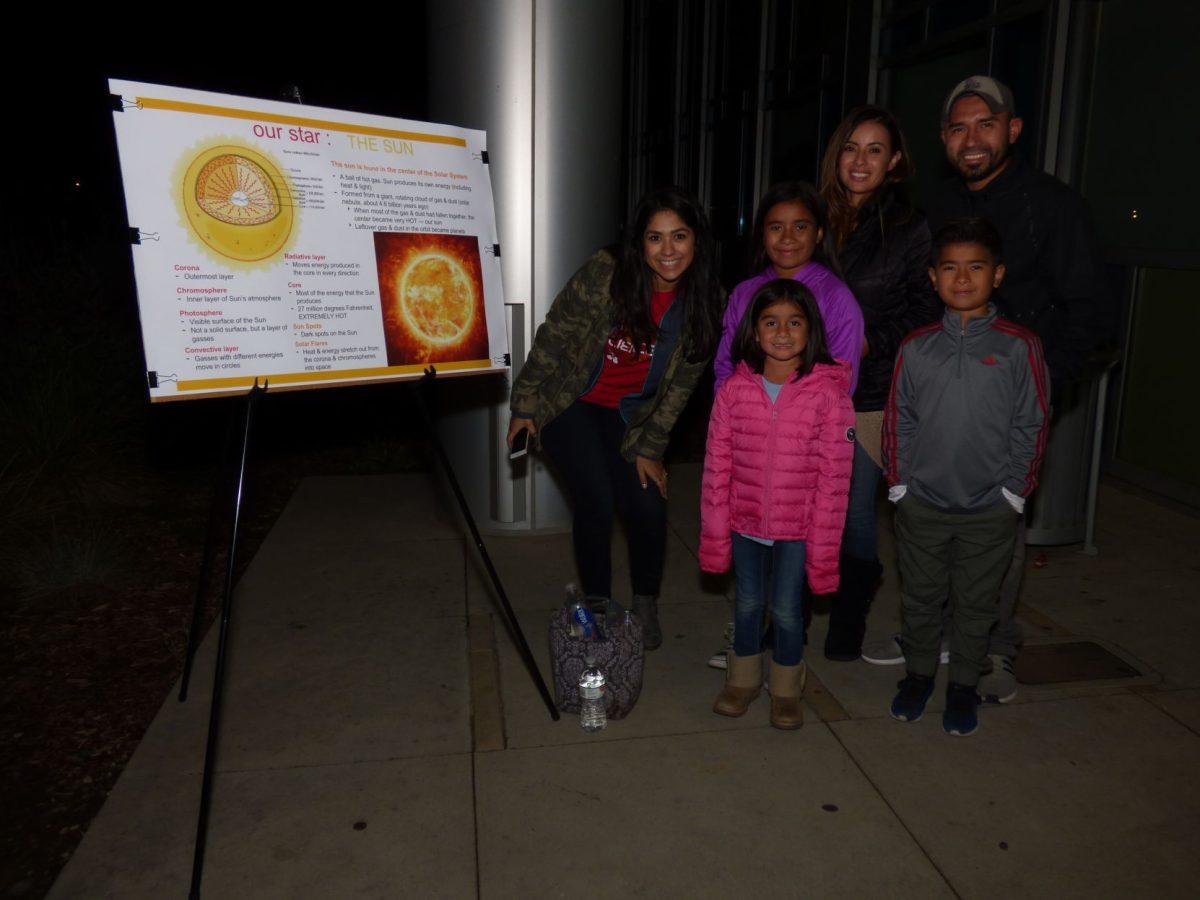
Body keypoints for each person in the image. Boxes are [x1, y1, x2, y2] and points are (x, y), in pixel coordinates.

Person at [923, 75, 1110, 702]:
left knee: (998, 524)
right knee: (933, 517)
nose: (971, 139)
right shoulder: (939, 205)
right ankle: (940, 635)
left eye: (985, 124)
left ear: (1013, 129)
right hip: (942, 397)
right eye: (957, 127)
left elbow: (1090, 314)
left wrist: (1036, 386)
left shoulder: (1053, 206)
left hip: (1012, 402)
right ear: (944, 139)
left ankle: (991, 648)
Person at [507, 187, 722, 650]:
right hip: (572, 402)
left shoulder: (705, 302)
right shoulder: (606, 273)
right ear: (638, 243)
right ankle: (598, 605)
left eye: (679, 236)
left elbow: (681, 389)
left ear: (696, 241)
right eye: (655, 238)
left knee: (647, 501)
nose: (668, 251)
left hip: (634, 416)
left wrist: (651, 450)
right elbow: (555, 335)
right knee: (597, 499)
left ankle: (645, 602)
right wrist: (524, 403)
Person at [884, 218, 1049, 736]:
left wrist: (1013, 494)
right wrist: (901, 485)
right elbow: (899, 419)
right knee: (920, 597)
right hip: (922, 504)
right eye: (949, 268)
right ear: (932, 278)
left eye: (974, 267)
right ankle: (918, 675)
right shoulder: (916, 347)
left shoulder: (1020, 346)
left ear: (996, 275)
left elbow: (1032, 421)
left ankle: (963, 686)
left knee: (978, 605)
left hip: (989, 509)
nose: (961, 278)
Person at [816, 105, 942, 662]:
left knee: (853, 509)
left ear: (894, 161)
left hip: (868, 392)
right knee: (799, 504)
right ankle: (788, 608)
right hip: (803, 387)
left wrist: (871, 340)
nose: (861, 160)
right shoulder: (810, 217)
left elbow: (924, 306)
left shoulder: (910, 228)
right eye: (851, 147)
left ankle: (849, 614)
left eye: (874, 149)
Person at [700, 279, 855, 729]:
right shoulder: (734, 391)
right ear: (753, 331)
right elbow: (715, 469)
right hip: (744, 520)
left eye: (794, 322)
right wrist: (714, 531)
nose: (782, 333)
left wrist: (824, 547)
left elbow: (835, 479)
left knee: (786, 608)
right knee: (748, 602)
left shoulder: (829, 394)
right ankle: (743, 679)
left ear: (811, 332)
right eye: (771, 322)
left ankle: (786, 687)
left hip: (798, 527)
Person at [713, 181, 864, 394]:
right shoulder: (743, 293)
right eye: (776, 227)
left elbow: (841, 381)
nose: (787, 237)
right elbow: (726, 366)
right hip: (744, 421)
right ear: (763, 234)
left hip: (810, 423)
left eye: (800, 227)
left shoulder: (835, 297)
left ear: (819, 233)